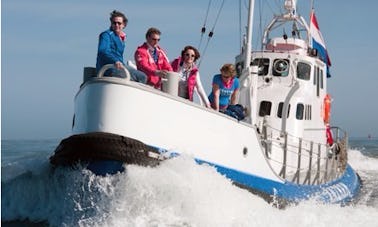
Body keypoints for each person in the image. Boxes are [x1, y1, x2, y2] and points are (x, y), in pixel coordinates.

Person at [96, 10, 147, 83]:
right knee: (130, 77)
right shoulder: (106, 35)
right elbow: (103, 51)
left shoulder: (122, 38)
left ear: (124, 25)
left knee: (142, 76)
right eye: (114, 23)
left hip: (120, 66)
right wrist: (115, 61)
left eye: (119, 23)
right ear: (111, 24)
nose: (116, 25)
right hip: (109, 68)